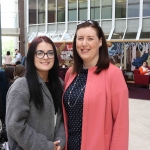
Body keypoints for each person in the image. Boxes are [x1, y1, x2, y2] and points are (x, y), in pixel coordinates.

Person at [62, 20, 129, 150]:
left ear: (100, 42)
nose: (84, 43)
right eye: (80, 38)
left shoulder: (113, 75)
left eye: (90, 38)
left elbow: (121, 124)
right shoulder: (70, 73)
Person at [6, 36, 66, 150]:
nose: (45, 57)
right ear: (32, 56)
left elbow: (63, 119)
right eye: (40, 53)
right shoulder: (22, 86)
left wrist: (60, 141)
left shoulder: (60, 84)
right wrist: (45, 146)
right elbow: (15, 126)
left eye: (50, 53)